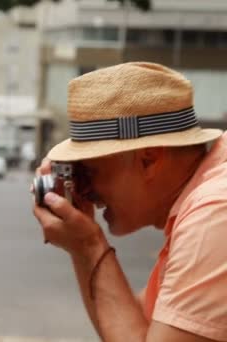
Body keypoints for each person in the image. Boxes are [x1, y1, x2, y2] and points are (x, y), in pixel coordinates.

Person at [32, 62, 227, 341]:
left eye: (88, 171)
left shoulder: (214, 214)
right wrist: (82, 244)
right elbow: (131, 328)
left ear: (149, 160)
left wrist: (88, 247)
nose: (83, 190)